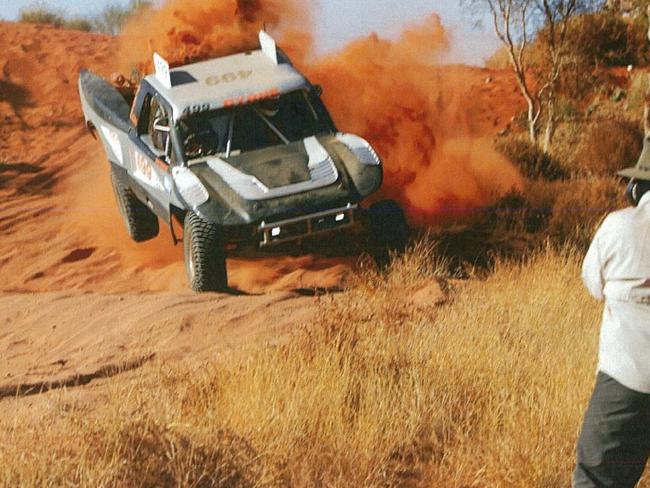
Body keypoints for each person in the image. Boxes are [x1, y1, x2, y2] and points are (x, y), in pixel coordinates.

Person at [573, 145, 650, 487]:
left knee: (596, 478)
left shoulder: (617, 225)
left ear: (637, 188)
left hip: (624, 382)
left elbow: (593, 284)